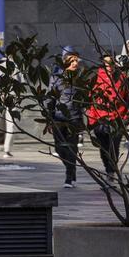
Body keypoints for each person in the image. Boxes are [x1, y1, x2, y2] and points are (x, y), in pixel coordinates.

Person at [46, 47, 84, 189]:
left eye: (76, 60)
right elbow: (50, 98)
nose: (75, 63)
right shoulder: (56, 77)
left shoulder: (80, 77)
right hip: (58, 118)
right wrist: (49, 119)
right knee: (60, 148)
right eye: (71, 60)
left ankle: (69, 177)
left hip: (74, 118)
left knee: (71, 149)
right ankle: (71, 169)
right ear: (64, 61)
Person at [87, 52, 128, 177]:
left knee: (114, 147)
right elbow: (90, 99)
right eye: (106, 64)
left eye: (111, 63)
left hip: (117, 118)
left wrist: (125, 116)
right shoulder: (95, 77)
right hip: (100, 118)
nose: (109, 66)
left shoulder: (122, 77)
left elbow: (127, 98)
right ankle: (108, 168)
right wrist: (92, 119)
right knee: (104, 148)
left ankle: (112, 171)